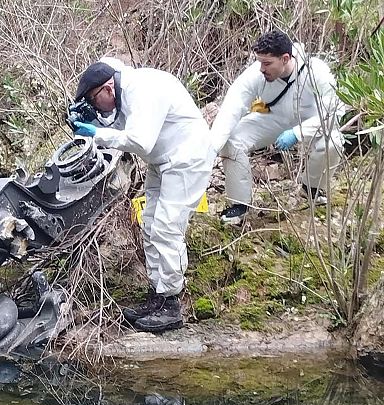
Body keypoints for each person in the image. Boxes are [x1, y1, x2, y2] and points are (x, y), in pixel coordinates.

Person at [71, 57, 211, 332]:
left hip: (187, 159)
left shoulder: (142, 90)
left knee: (167, 227)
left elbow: (139, 140)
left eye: (93, 99)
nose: (94, 105)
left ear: (108, 89)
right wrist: (95, 123)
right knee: (149, 225)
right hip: (164, 161)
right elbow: (125, 130)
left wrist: (97, 134)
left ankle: (172, 304)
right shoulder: (125, 92)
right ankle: (158, 294)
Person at [210, 30, 346, 224]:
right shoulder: (255, 75)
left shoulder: (317, 71)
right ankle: (239, 205)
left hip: (312, 122)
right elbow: (232, 108)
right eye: (260, 62)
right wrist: (211, 147)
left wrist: (298, 133)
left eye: (267, 63)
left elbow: (333, 111)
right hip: (275, 119)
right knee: (233, 141)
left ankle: (313, 188)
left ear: (285, 58)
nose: (261, 69)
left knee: (334, 142)